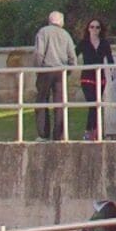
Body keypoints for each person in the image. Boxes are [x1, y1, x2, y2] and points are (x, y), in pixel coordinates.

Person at [30, 9, 80, 141]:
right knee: (60, 104)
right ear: (61, 22)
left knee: (41, 101)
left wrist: (38, 69)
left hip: (46, 70)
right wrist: (68, 71)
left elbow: (39, 53)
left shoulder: (43, 32)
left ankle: (43, 134)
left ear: (49, 20)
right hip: (61, 72)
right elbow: (72, 58)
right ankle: (59, 135)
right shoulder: (66, 35)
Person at [77, 13, 116, 139]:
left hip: (100, 78)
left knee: (97, 105)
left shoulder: (104, 43)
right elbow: (73, 55)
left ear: (101, 29)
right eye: (92, 27)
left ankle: (94, 132)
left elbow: (110, 59)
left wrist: (112, 71)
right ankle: (89, 132)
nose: (94, 29)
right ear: (88, 29)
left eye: (97, 27)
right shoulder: (83, 43)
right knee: (93, 104)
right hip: (87, 77)